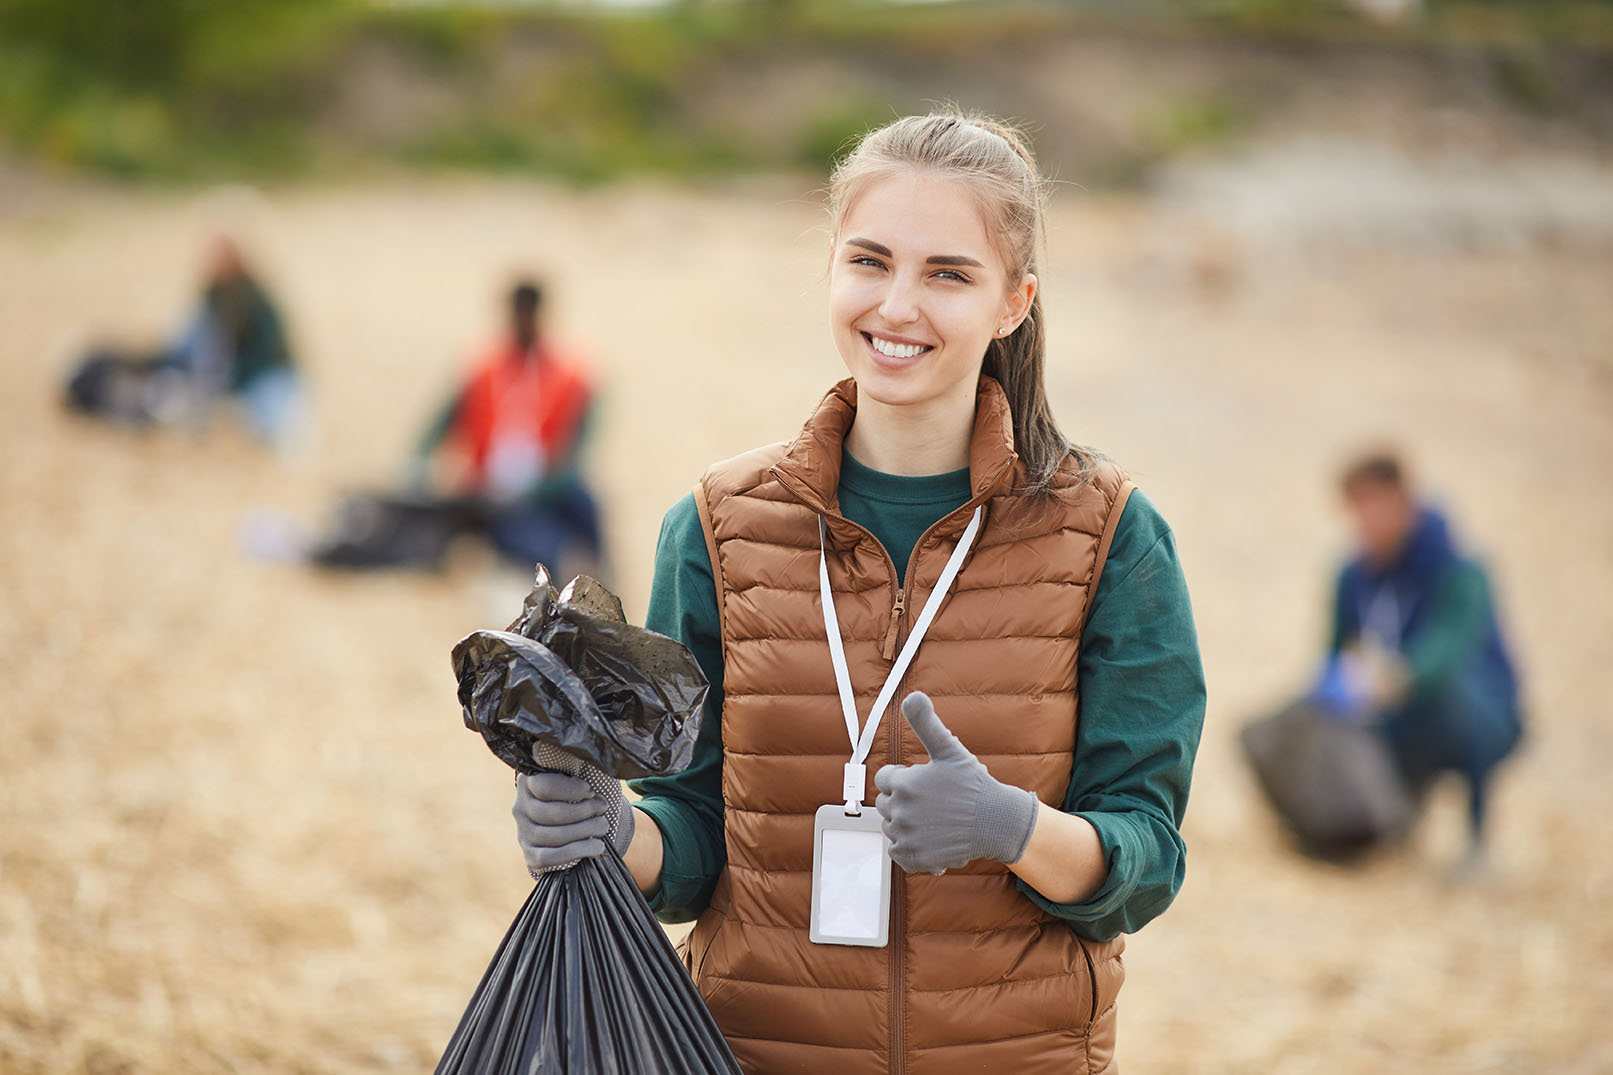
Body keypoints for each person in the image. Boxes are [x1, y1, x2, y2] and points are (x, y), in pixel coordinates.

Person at [511, 112, 1205, 1072]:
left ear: (1015, 301)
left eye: (948, 274)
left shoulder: (1110, 535)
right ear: (833, 268)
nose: (897, 305)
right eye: (869, 261)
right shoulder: (713, 526)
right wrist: (608, 829)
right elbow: (698, 839)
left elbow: (1144, 858)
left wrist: (1013, 827)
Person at [1317, 452, 1523, 868]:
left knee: (1451, 698)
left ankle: (1477, 839)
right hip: (1394, 707)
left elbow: (1448, 651)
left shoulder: (1461, 569)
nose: (1364, 522)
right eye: (1356, 509)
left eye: (1372, 505)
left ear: (1403, 500)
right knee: (1329, 710)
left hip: (1483, 709)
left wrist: (1395, 678)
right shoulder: (1352, 576)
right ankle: (1375, 822)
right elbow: (1336, 651)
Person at [309, 280, 601, 575]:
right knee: (540, 550)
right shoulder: (484, 368)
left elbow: (576, 452)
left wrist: (541, 487)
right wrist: (418, 474)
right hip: (491, 492)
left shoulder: (569, 373)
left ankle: (606, 586)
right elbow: (438, 426)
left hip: (544, 487)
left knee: (587, 507)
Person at [64, 235, 302, 445]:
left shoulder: (253, 299)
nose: (217, 260)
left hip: (261, 381)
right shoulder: (213, 295)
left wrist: (222, 390)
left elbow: (259, 359)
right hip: (229, 380)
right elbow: (185, 347)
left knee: (271, 432)